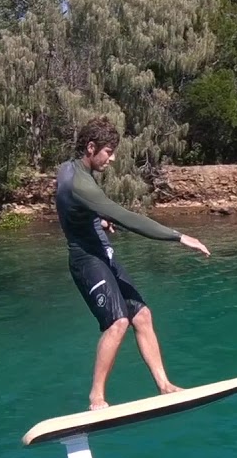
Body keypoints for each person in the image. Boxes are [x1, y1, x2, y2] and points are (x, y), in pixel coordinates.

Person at [54, 117, 210, 410]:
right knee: (118, 322)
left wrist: (94, 219)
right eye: (108, 151)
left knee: (143, 316)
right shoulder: (82, 184)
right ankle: (96, 397)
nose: (111, 159)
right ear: (90, 147)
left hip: (102, 250)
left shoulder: (69, 169)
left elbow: (66, 203)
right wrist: (179, 237)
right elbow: (128, 218)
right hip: (86, 259)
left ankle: (165, 386)